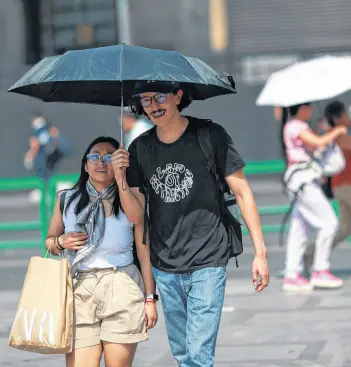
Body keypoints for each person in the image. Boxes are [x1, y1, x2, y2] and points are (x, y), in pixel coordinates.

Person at [113, 80, 269, 367]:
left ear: (178, 96)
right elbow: (136, 215)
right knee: (184, 353)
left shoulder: (210, 136)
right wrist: (121, 178)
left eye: (160, 97)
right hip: (165, 264)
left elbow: (243, 192)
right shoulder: (140, 149)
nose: (153, 106)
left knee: (197, 355)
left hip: (208, 258)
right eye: (146, 101)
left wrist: (260, 253)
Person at [45, 136, 158, 367]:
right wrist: (61, 241)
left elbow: (143, 248)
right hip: (79, 289)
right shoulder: (66, 199)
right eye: (95, 156)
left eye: (109, 157)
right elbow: (50, 243)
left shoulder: (130, 198)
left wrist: (150, 298)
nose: (101, 162)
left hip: (122, 285)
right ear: (85, 165)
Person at [280, 102, 348, 292]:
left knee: (299, 231)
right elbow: (318, 143)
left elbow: (315, 145)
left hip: (302, 181)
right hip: (304, 182)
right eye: (308, 106)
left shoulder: (297, 126)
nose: (310, 110)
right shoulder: (295, 126)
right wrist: (337, 131)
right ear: (301, 108)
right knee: (330, 223)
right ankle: (320, 270)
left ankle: (292, 275)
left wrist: (324, 131)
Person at [303, 100, 351, 271]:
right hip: (346, 186)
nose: (348, 116)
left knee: (345, 229)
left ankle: (310, 254)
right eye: (345, 114)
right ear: (338, 118)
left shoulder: (334, 133)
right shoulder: (338, 135)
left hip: (342, 188)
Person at [24, 114, 70, 202]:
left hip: (58, 184)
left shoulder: (57, 144)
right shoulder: (38, 153)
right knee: (35, 197)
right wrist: (32, 152)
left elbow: (66, 149)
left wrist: (55, 138)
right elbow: (29, 160)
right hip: (44, 187)